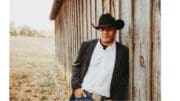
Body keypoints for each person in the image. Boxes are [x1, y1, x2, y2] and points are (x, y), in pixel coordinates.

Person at [70, 13, 129, 101]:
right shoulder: (86, 46)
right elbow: (77, 66)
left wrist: (117, 98)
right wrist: (76, 87)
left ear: (115, 30)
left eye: (109, 29)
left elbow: (124, 78)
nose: (105, 32)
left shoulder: (122, 51)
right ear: (99, 30)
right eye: (102, 29)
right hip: (84, 96)